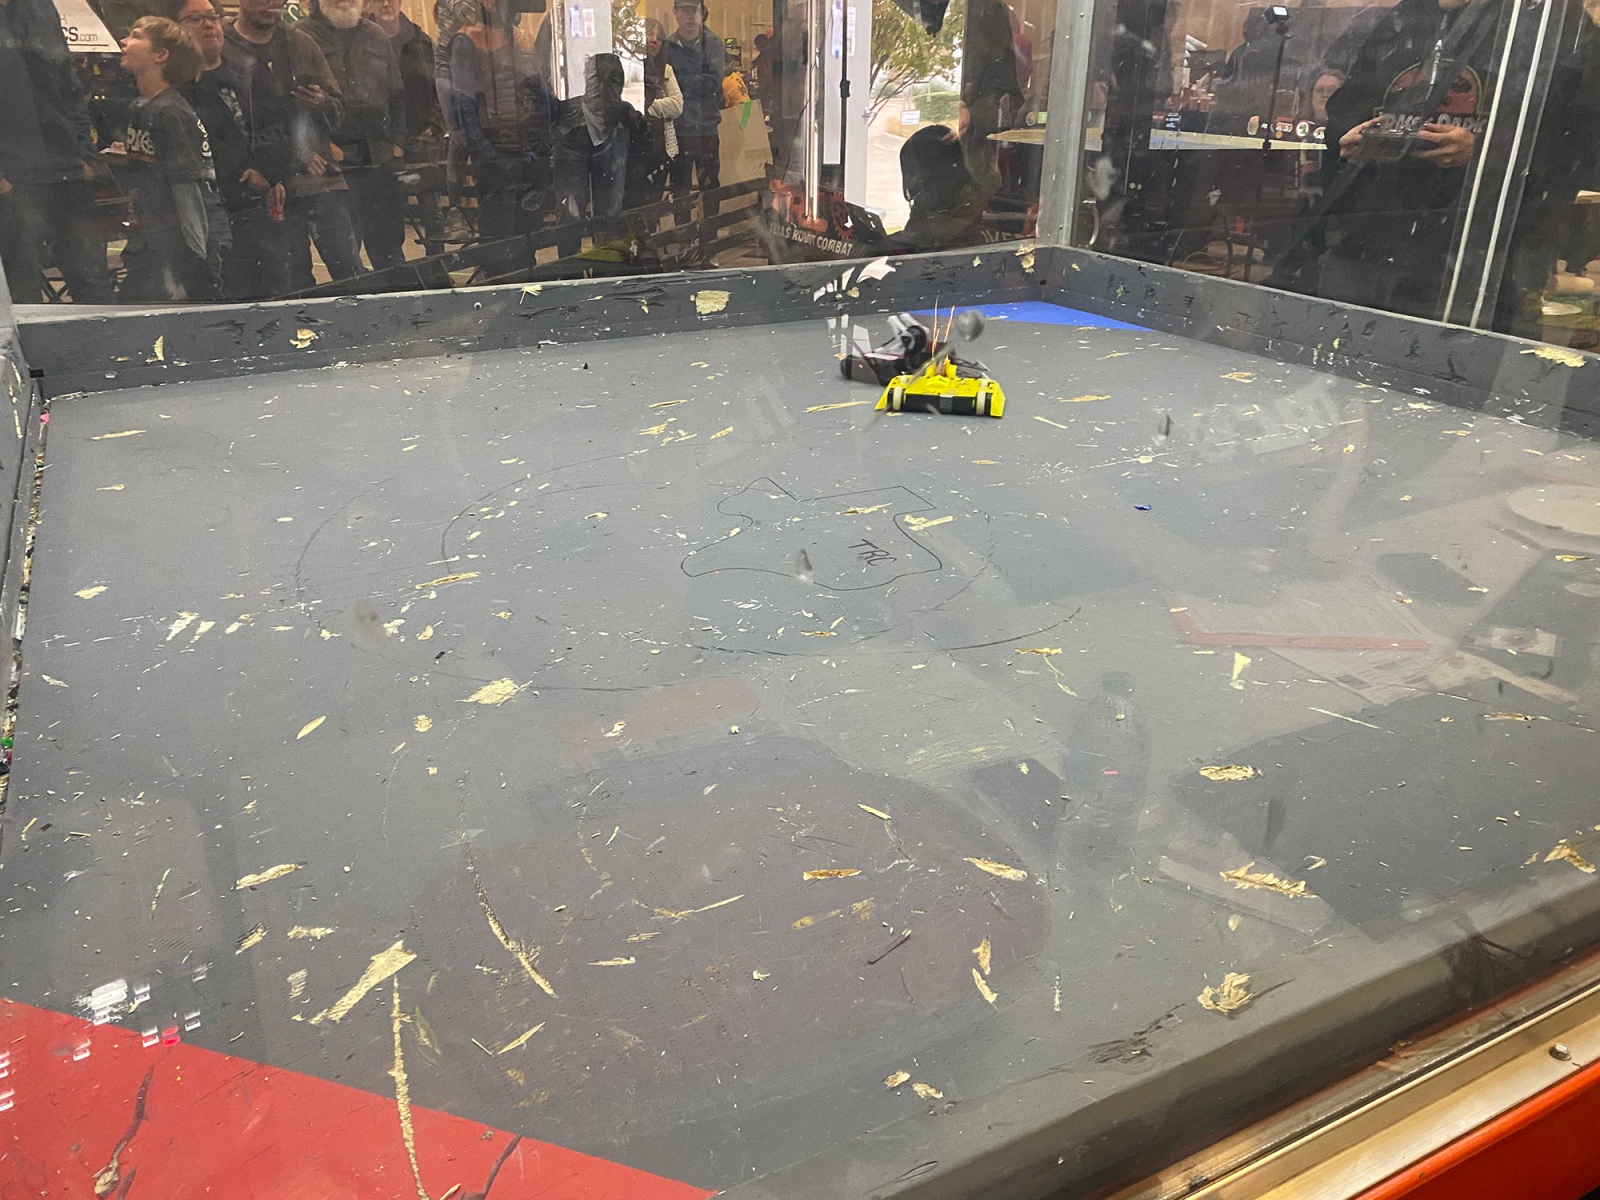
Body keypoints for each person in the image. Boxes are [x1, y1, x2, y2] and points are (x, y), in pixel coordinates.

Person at [1278, 0, 1501, 318]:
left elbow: (1553, 134)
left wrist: (1482, 150)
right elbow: (1347, 107)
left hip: (1465, 248)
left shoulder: (1521, 20)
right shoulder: (1397, 21)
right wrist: (1349, 137)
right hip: (1365, 236)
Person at [226, 0, 364, 290]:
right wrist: (292, 154)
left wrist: (320, 101)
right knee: (291, 282)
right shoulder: (224, 48)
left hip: (318, 178)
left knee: (351, 273)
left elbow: (339, 107)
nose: (271, 4)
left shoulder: (300, 43)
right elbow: (223, 125)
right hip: (264, 185)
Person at [175, 0, 293, 299]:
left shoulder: (248, 71)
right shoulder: (176, 88)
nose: (208, 25)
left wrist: (268, 171)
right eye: (195, 19)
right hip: (209, 212)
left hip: (256, 206)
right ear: (176, 30)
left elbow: (281, 125)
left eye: (213, 17)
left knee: (272, 292)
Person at [0, 0, 115, 304]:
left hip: (67, 170)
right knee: (21, 294)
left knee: (93, 285)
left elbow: (69, 87)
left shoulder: (41, 8)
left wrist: (85, 154)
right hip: (11, 179)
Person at [113, 16, 231, 301]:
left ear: (161, 55)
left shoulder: (171, 113)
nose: (124, 42)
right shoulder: (140, 107)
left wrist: (194, 266)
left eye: (136, 35)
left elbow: (188, 193)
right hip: (155, 237)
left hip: (189, 241)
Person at [301, 0, 407, 271]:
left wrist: (397, 145)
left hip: (379, 161)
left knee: (391, 257)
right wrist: (321, 146)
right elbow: (291, 108)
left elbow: (397, 96)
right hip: (333, 170)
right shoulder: (300, 38)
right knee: (346, 263)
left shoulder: (377, 35)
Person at [448, 0, 553, 262]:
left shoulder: (522, 39)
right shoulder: (467, 41)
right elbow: (464, 109)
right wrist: (490, 157)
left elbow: (540, 93)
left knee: (528, 245)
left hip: (529, 157)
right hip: (496, 160)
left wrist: (543, 144)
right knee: (499, 248)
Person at [365, 0, 446, 254]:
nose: (385, 4)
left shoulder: (421, 42)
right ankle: (397, 270)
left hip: (420, 137)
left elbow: (440, 87)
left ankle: (437, 266)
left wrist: (435, 126)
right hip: (382, 142)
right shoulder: (364, 43)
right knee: (390, 214)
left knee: (432, 212)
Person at [551, 52, 635, 223]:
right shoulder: (557, 34)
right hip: (571, 132)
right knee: (570, 210)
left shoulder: (606, 38)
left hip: (606, 130)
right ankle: (575, 242)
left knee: (609, 209)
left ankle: (604, 239)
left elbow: (617, 87)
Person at [891, 124, 984, 252]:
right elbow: (912, 235)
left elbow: (924, 242)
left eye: (917, 172)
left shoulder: (965, 203)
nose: (915, 180)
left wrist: (879, 243)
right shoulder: (929, 198)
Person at [664, 0, 723, 199]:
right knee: (679, 188)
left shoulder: (713, 43)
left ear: (702, 13)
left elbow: (713, 83)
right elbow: (666, 86)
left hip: (707, 127)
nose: (690, 16)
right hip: (679, 129)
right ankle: (683, 222)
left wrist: (679, 81)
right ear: (676, 12)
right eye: (685, 10)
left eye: (694, 11)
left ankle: (711, 222)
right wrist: (698, 81)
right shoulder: (668, 46)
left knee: (710, 186)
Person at [638, 17, 683, 204]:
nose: (654, 40)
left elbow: (677, 106)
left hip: (660, 146)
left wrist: (649, 107)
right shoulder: (631, 69)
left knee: (655, 201)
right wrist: (657, 105)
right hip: (637, 146)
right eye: (649, 34)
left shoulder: (667, 70)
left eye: (659, 37)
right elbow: (633, 105)